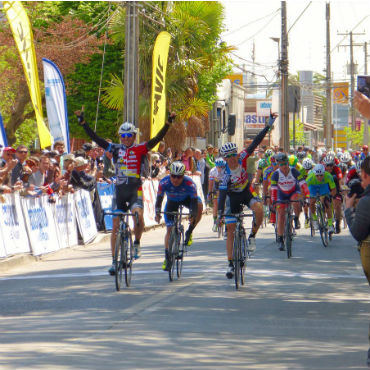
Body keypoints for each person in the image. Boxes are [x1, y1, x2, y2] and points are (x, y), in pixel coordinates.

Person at [76, 108, 176, 275]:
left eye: (129, 136)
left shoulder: (140, 148)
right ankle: (114, 261)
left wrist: (168, 123)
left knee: (138, 217)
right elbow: (96, 138)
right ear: (120, 136)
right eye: (123, 135)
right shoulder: (114, 148)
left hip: (135, 190)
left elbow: (157, 138)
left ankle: (136, 242)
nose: (126, 138)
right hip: (120, 191)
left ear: (134, 137)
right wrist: (83, 122)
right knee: (115, 225)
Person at [218, 112, 277, 279]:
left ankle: (252, 236)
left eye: (233, 156)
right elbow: (222, 196)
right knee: (230, 230)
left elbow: (256, 141)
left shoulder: (243, 157)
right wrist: (220, 214)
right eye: (227, 157)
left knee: (259, 209)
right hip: (233, 197)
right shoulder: (225, 175)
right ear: (224, 159)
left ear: (237, 154)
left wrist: (268, 124)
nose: (231, 159)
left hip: (246, 192)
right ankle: (230, 264)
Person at [344, 156, 370, 366]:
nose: (362, 183)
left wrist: (348, 209)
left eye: (363, 177)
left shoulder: (367, 202)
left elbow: (358, 232)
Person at [155, 162, 203, 271]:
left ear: (183, 175)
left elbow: (194, 203)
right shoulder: (164, 182)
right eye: (173, 176)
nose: (176, 179)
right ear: (169, 174)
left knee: (200, 207)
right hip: (172, 202)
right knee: (169, 229)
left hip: (188, 200)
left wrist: (193, 214)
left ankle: (189, 231)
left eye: (179, 177)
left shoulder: (190, 183)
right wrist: (157, 213)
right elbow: (159, 200)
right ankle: (167, 257)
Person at [271, 153, 309, 251]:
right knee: (281, 214)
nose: (283, 166)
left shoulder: (294, 171)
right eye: (280, 165)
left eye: (285, 164)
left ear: (288, 163)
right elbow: (274, 190)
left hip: (293, 191)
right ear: (278, 165)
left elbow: (303, 184)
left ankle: (296, 219)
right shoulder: (276, 174)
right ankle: (280, 238)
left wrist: (307, 196)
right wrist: (274, 201)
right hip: (281, 194)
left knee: (296, 201)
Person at [306, 163, 337, 233]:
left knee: (327, 204)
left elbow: (334, 190)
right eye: (317, 176)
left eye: (321, 175)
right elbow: (304, 189)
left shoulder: (328, 176)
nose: (319, 177)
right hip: (313, 187)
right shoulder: (310, 177)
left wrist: (329, 196)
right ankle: (314, 219)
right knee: (311, 203)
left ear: (324, 173)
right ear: (314, 174)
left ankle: (330, 224)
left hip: (323, 187)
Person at [208, 158, 226, 231]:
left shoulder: (226, 169)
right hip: (217, 186)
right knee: (215, 203)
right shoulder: (213, 171)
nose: (220, 168)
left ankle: (224, 217)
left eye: (221, 166)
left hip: (225, 186)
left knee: (224, 202)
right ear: (216, 166)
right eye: (218, 167)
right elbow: (211, 183)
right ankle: (215, 222)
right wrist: (209, 193)